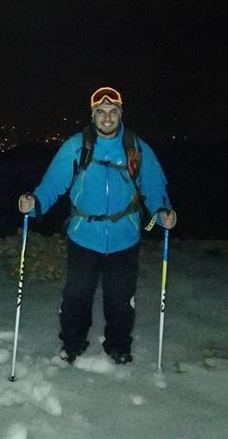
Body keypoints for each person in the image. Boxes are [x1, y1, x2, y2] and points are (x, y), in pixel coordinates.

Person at [18, 86, 176, 364]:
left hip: (125, 237)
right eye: (100, 112)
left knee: (120, 298)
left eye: (112, 112)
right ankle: (72, 343)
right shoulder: (76, 146)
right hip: (84, 235)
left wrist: (164, 211)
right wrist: (34, 202)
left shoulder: (137, 148)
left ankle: (118, 346)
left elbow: (154, 185)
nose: (106, 117)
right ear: (93, 115)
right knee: (77, 294)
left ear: (120, 114)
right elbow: (53, 183)